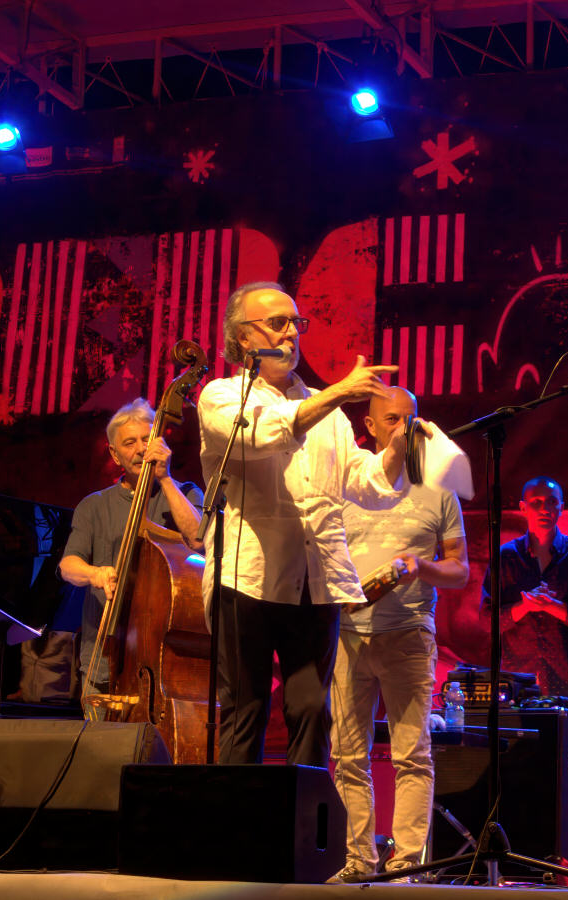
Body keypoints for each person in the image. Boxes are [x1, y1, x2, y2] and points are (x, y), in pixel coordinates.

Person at [198, 281, 410, 767]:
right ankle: (234, 815)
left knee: (313, 710)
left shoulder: (325, 409)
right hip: (247, 577)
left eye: (296, 323)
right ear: (243, 337)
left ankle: (301, 816)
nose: (292, 332)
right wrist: (339, 392)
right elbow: (261, 433)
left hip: (315, 581)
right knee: (246, 711)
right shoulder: (221, 395)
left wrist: (399, 444)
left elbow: (365, 483)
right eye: (278, 323)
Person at [328, 386, 468, 882]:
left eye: (410, 419)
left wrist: (422, 567)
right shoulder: (346, 484)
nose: (404, 429)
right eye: (392, 419)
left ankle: (407, 864)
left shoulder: (438, 489)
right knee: (348, 756)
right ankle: (358, 860)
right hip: (347, 634)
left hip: (408, 633)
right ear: (369, 426)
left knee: (412, 754)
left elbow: (460, 570)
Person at [59, 398, 204, 716]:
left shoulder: (187, 493)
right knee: (98, 746)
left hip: (166, 661)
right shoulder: (94, 506)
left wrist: (165, 479)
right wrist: (95, 574)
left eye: (147, 440)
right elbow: (68, 565)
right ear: (114, 454)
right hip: (103, 657)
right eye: (129, 443)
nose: (141, 449)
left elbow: (198, 538)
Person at [494, 477, 568, 708]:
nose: (545, 508)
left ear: (561, 507)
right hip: (518, 684)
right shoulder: (506, 557)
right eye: (536, 502)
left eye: (552, 502)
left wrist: (552, 606)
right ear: (523, 507)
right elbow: (488, 619)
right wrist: (524, 606)